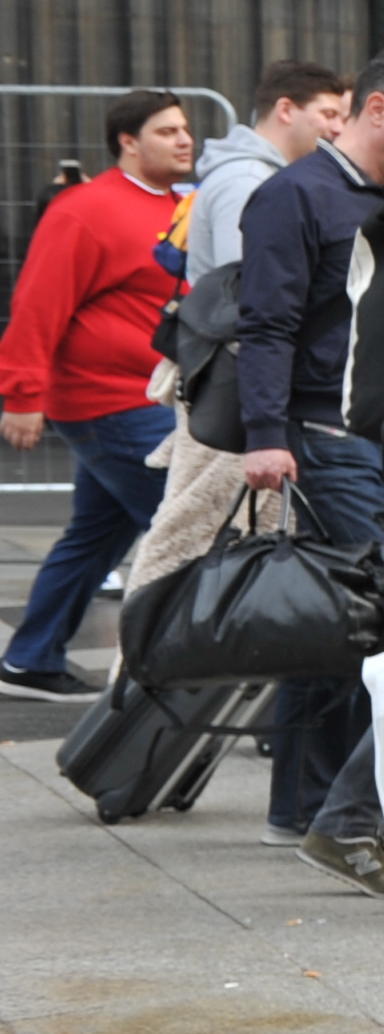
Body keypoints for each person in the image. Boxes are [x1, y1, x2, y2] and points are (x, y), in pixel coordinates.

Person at [234, 47, 384, 897]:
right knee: (381, 618)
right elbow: (270, 323)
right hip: (319, 436)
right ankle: (353, 807)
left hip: (369, 439)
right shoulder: (294, 196)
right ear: (374, 111)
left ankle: (305, 802)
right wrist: (266, 435)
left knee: (339, 622)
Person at [0, 91, 191, 692]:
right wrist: (22, 394)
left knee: (93, 537)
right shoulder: (84, 210)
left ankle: (30, 657)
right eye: (166, 131)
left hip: (149, 395)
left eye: (186, 129)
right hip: (110, 401)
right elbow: (38, 301)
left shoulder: (182, 203)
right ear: (127, 142)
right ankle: (191, 676)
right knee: (187, 530)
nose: (184, 140)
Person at [186, 61, 346, 283]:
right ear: (286, 110)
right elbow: (242, 286)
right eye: (328, 115)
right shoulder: (245, 181)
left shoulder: (264, 176)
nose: (339, 128)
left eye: (341, 118)